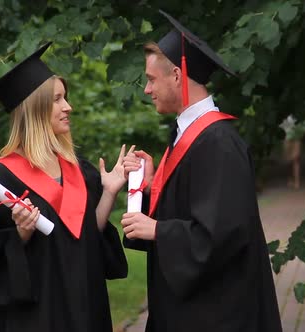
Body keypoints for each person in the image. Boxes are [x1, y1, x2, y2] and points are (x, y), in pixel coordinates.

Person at [120, 10, 282, 332]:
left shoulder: (218, 143)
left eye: (151, 80)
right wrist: (154, 187)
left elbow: (221, 235)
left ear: (177, 76)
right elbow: (195, 207)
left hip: (217, 314)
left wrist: (157, 230)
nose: (146, 90)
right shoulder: (191, 135)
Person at [0, 42, 128, 332]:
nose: (68, 107)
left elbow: (87, 238)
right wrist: (21, 233)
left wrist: (109, 192)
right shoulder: (1, 180)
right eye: (57, 99)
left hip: (85, 305)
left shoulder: (80, 170)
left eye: (65, 97)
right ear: (35, 109)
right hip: (36, 316)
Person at [279, 115, 305, 189]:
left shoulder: (299, 112)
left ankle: (297, 181)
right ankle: (290, 178)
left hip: (297, 138)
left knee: (296, 160)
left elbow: (304, 125)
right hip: (287, 138)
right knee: (288, 160)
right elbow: (281, 125)